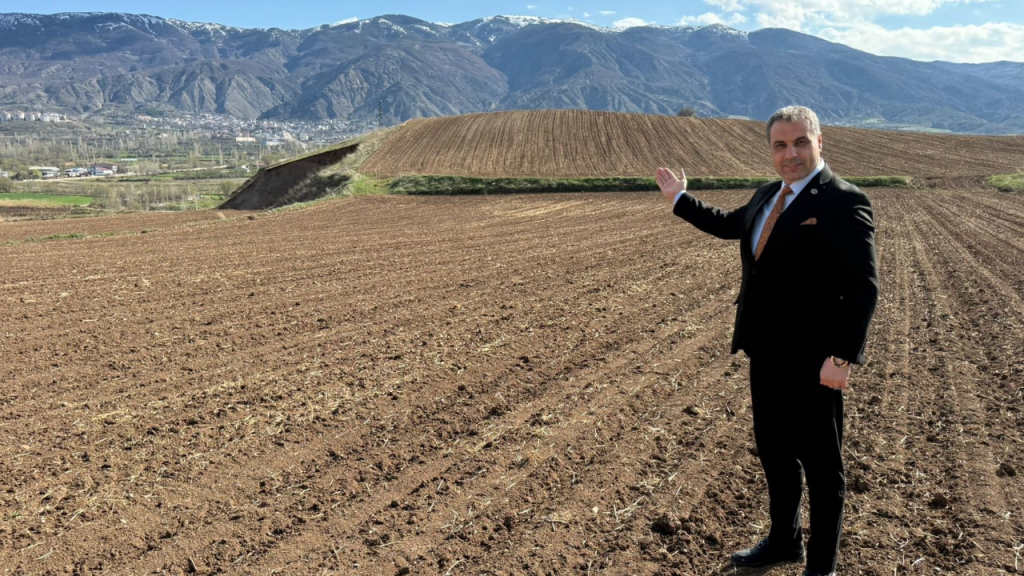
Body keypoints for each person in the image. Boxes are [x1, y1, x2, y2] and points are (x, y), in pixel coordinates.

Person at [655, 106, 879, 576]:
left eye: (800, 142)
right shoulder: (766, 197)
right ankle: (784, 542)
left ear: (820, 142)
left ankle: (822, 567)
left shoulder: (844, 201)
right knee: (775, 453)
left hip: (815, 360)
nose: (790, 153)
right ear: (771, 151)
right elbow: (727, 224)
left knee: (822, 469)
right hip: (765, 353)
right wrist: (681, 199)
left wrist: (841, 357)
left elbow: (862, 287)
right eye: (780, 145)